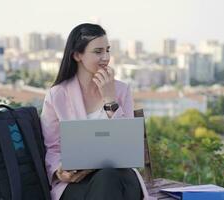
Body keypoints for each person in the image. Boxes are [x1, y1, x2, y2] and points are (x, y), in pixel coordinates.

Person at [40, 23, 149, 200]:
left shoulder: (121, 91)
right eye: (98, 52)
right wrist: (60, 171)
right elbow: (52, 148)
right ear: (77, 55)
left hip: (120, 178)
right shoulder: (57, 95)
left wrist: (110, 100)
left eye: (108, 50)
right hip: (77, 183)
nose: (105, 57)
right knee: (105, 184)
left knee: (108, 176)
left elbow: (127, 145)